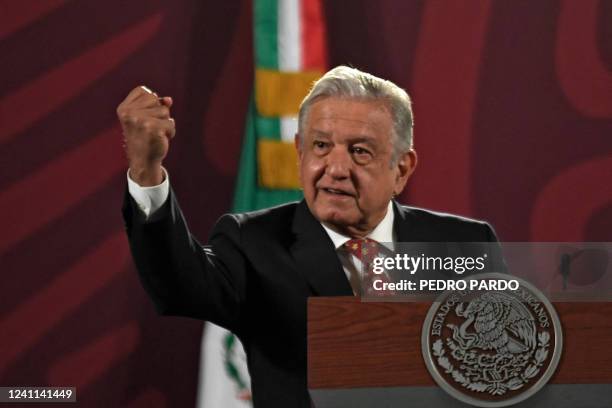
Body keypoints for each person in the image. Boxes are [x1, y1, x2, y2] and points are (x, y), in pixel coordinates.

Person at [118, 66, 500, 407]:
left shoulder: (464, 244)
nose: (335, 168)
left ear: (401, 168)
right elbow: (176, 283)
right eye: (320, 146)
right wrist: (147, 171)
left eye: (359, 151)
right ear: (300, 152)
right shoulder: (254, 243)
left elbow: (504, 371)